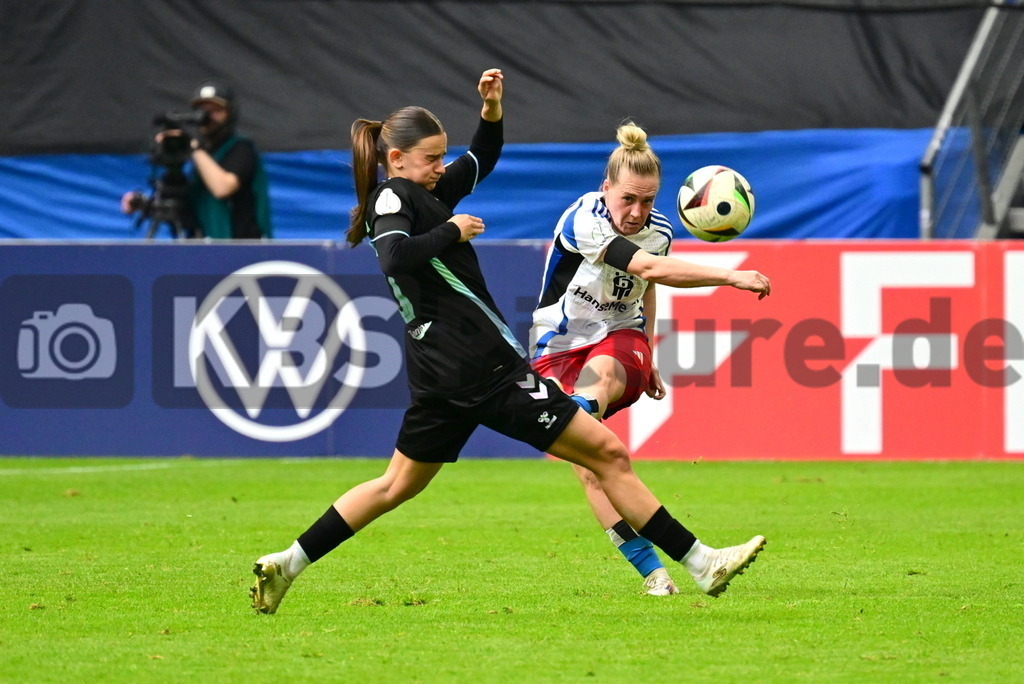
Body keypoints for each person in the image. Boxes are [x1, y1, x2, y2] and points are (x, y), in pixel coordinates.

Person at [249, 69, 767, 615]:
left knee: (395, 483)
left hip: (440, 370)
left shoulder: (422, 191)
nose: (443, 167)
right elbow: (395, 257)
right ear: (396, 159)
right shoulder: (392, 200)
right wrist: (456, 230)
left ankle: (287, 562)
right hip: (479, 365)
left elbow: (483, 157)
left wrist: (491, 110)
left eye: (442, 156)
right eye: (431, 158)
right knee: (608, 453)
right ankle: (702, 563)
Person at [530, 122, 772, 597]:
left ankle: (559, 419)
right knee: (590, 466)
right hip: (557, 348)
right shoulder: (583, 219)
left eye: (648, 201)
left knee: (595, 392)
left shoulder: (659, 231)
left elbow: (648, 282)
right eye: (628, 200)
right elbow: (645, 266)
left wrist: (651, 348)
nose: (639, 212)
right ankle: (655, 575)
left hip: (620, 338)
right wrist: (731, 275)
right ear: (606, 189)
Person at [121, 80, 272, 239]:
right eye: (202, 110)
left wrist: (193, 147)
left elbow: (222, 188)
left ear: (229, 113)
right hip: (205, 247)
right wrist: (146, 204)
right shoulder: (203, 156)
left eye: (215, 110)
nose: (207, 116)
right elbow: (191, 207)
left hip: (240, 247)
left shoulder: (241, 149)